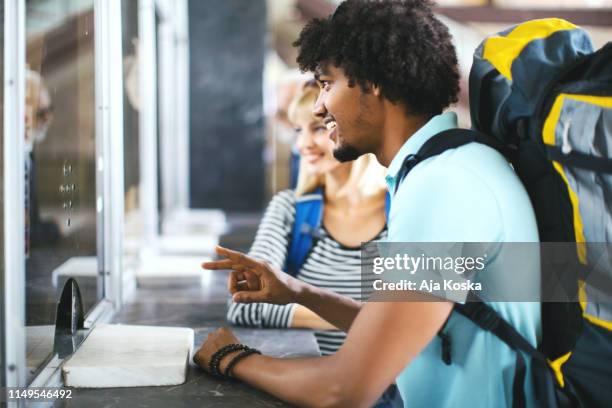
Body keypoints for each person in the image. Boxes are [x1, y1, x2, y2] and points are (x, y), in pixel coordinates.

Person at [197, 1, 540, 407]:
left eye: (326, 83)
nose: (320, 107)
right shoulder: (443, 169)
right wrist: (298, 292)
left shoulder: (444, 186)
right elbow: (398, 330)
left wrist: (230, 358)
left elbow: (344, 390)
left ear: (372, 80)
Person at [227, 80, 388, 356]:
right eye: (298, 131)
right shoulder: (289, 210)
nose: (302, 144)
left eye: (318, 128)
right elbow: (244, 304)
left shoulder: (405, 210)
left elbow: (435, 319)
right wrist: (363, 319)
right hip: (313, 386)